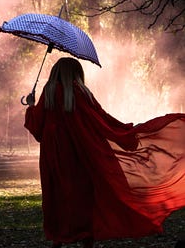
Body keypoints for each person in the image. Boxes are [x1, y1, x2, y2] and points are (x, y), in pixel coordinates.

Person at [24, 57, 185, 248]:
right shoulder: (82, 93)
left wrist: (31, 105)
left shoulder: (49, 93)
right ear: (76, 73)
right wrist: (125, 131)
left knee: (57, 194)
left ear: (55, 72)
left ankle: (58, 239)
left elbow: (38, 129)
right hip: (81, 155)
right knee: (83, 194)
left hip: (54, 157)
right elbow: (101, 119)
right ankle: (87, 239)